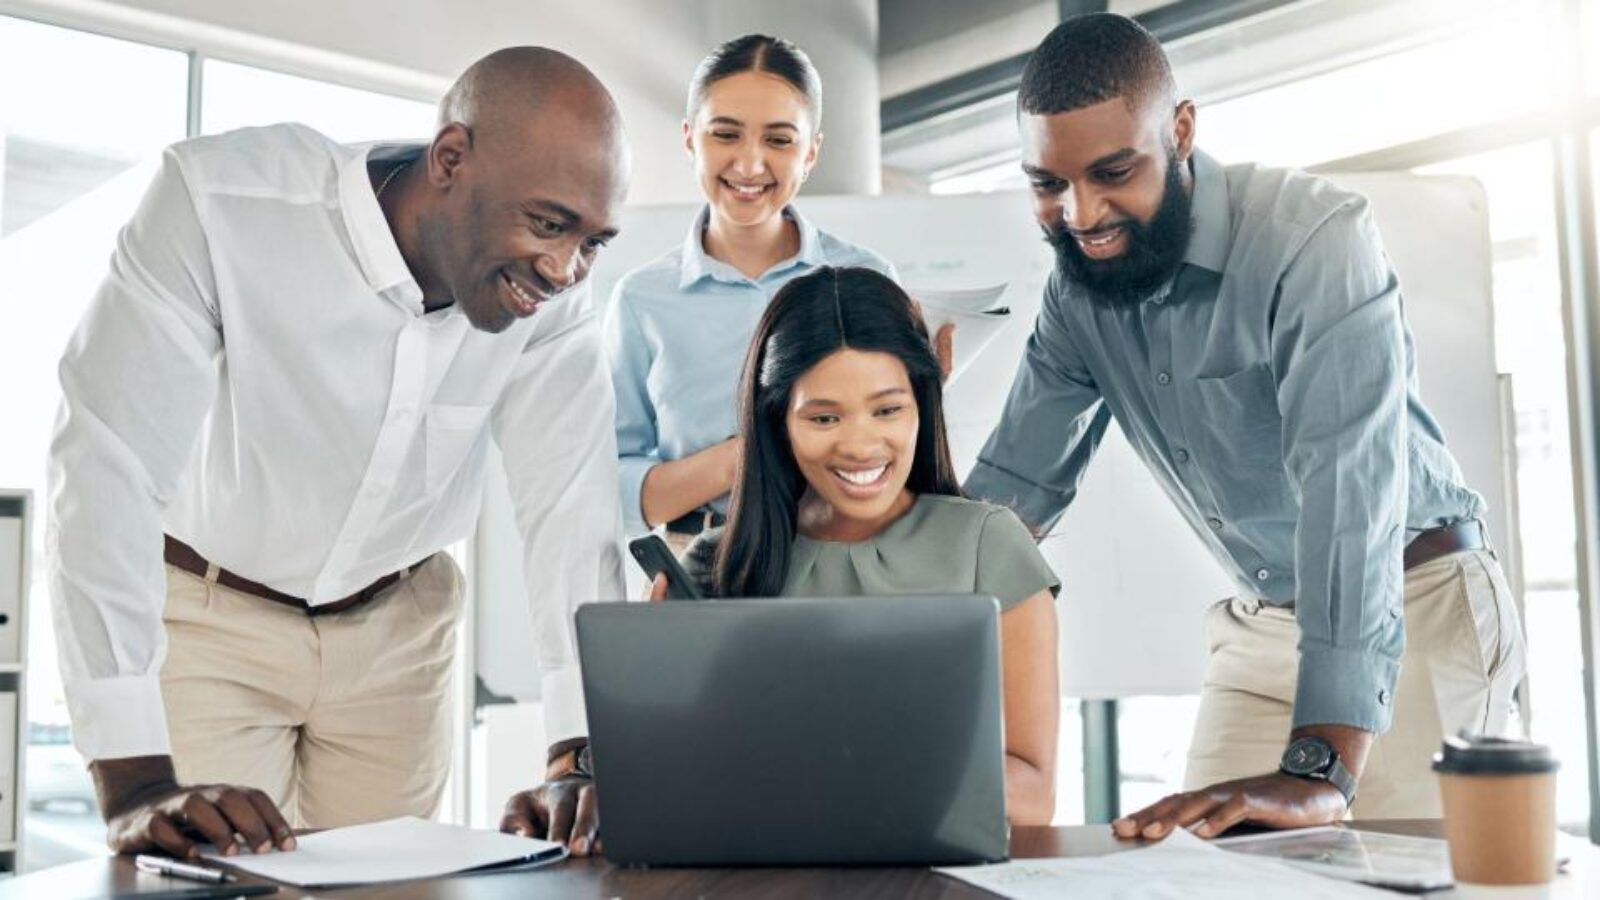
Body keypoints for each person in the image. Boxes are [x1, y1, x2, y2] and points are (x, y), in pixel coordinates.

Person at [48, 47, 630, 860]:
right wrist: (134, 779)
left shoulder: (554, 296)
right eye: (547, 223)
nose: (566, 268)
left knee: (394, 890)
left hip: (399, 633)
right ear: (451, 159)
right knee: (212, 880)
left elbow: (569, 504)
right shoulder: (221, 201)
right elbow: (107, 463)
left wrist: (577, 751)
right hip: (211, 619)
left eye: (593, 241)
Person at [966, 13, 1526, 838]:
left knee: (1409, 887)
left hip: (1419, 608)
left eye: (1112, 171)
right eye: (1047, 184)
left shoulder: (1313, 242)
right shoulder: (1078, 294)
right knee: (1186, 869)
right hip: (1263, 625)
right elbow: (1010, 503)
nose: (1080, 214)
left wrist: (1321, 766)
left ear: (1181, 130)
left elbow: (1350, 497)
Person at [505, 266, 1060, 852]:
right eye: (823, 417)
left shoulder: (989, 545)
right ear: (777, 420)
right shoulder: (714, 565)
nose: (861, 444)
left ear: (922, 405)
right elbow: (674, 777)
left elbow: (1033, 794)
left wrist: (833, 777)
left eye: (888, 410)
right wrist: (601, 761)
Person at [603, 34, 900, 556]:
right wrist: (743, 458)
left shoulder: (864, 277)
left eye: (779, 141)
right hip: (702, 565)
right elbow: (613, 486)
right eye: (726, 134)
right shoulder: (641, 301)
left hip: (845, 558)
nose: (749, 163)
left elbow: (895, 450)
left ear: (811, 152)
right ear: (691, 138)